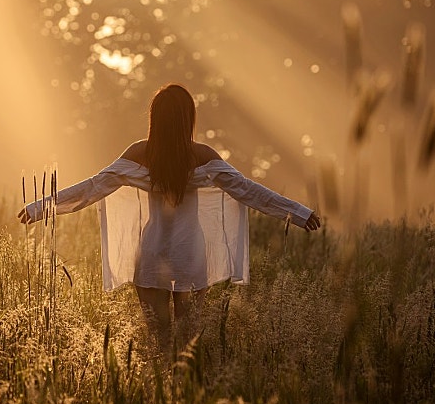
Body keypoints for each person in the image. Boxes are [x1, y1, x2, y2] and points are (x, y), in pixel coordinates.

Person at [19, 83, 322, 350]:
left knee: (160, 344)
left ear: (155, 119)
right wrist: (298, 212)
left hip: (152, 252)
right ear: (188, 119)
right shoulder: (203, 155)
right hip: (190, 254)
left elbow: (92, 187)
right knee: (188, 344)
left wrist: (40, 208)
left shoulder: (140, 152)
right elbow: (249, 191)